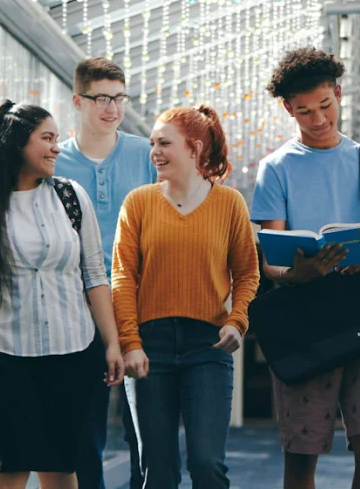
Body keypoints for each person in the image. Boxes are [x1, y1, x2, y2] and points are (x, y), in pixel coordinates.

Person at [0, 100, 125, 489]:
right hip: (3, 358)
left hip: (72, 354)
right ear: (16, 143)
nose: (57, 147)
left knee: (61, 470)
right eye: (47, 138)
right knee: (9, 471)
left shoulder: (71, 198)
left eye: (57, 138)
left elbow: (94, 275)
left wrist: (111, 344)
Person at [251, 47, 360, 489]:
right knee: (302, 454)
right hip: (305, 318)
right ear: (287, 109)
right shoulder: (275, 169)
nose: (317, 119)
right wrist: (298, 274)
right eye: (303, 112)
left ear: (339, 93)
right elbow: (271, 261)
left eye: (325, 106)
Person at [110, 105, 259, 489]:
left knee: (207, 464)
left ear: (194, 149)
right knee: (156, 471)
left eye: (164, 143)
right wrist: (131, 342)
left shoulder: (230, 204)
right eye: (152, 144)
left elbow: (247, 273)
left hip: (207, 346)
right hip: (149, 346)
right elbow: (123, 277)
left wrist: (236, 320)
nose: (154, 152)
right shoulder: (138, 202)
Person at [54, 56, 156, 489]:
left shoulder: (146, 153)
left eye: (119, 97)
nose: (112, 107)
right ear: (78, 101)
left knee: (145, 429)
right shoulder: (54, 161)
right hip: (78, 309)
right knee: (84, 425)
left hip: (141, 301)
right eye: (101, 98)